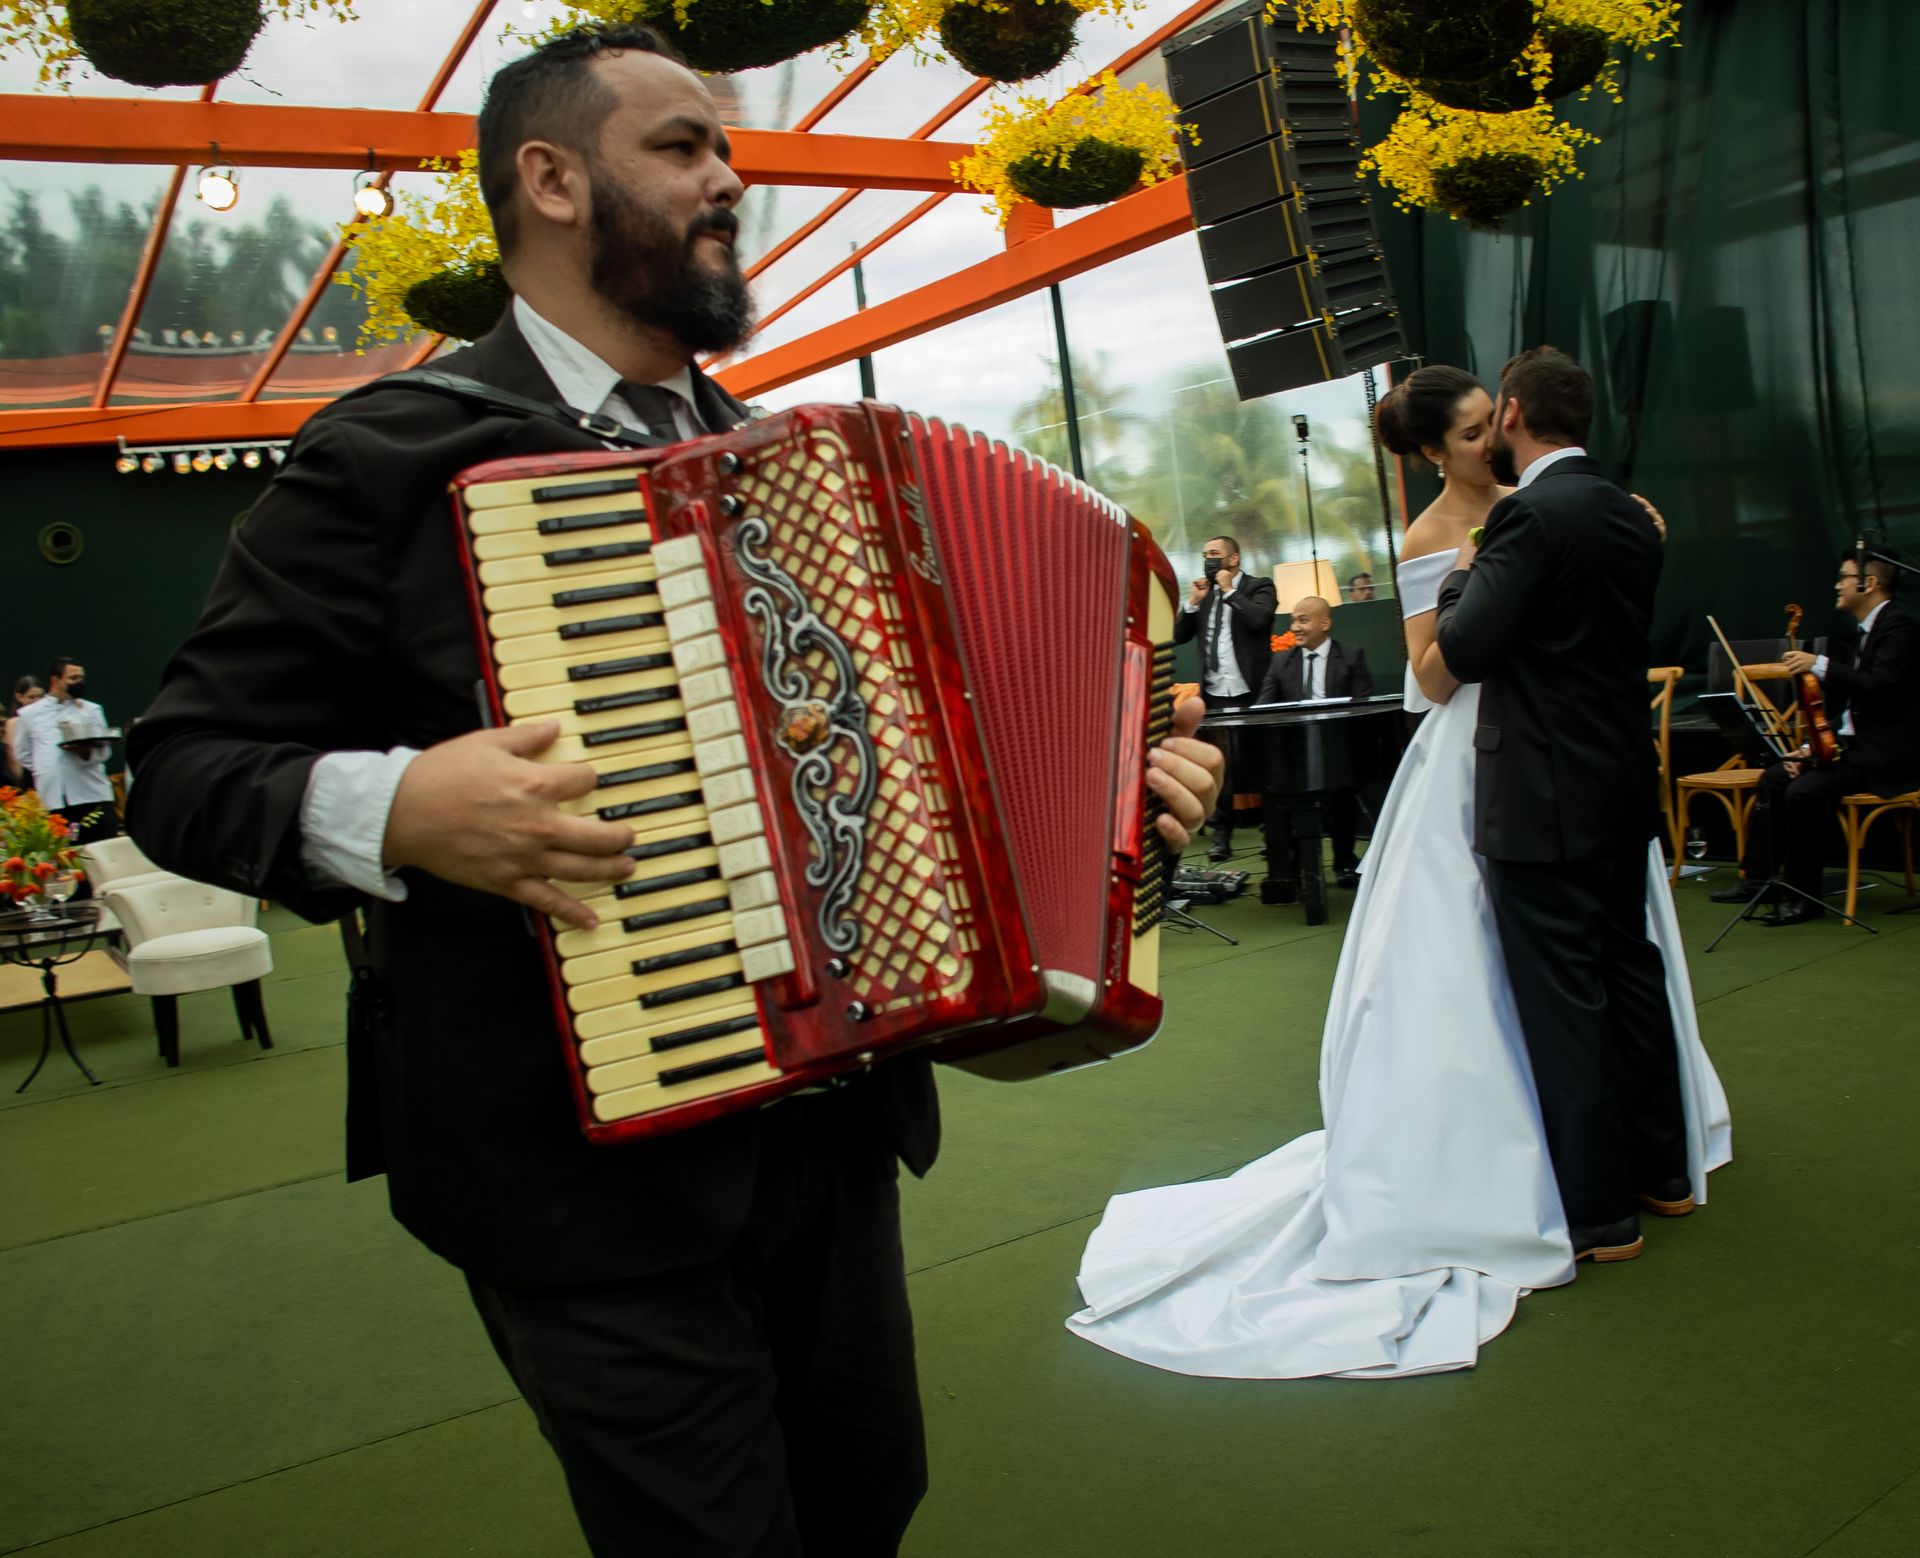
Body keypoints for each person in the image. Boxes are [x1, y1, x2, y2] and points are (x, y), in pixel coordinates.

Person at [122, 27, 1221, 1558]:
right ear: (553, 179)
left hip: (829, 1137)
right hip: (569, 1171)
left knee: (861, 1506)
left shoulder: (800, 469)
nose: (728, 177)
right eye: (683, 146)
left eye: (725, 148)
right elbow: (174, 771)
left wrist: (1122, 801)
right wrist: (396, 809)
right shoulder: (390, 456)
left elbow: (936, 776)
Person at [1067, 362, 1729, 1380]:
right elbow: (1432, 671)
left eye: (1486, 426)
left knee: (1593, 974)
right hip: (1487, 763)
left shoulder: (1542, 508)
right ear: (1434, 451)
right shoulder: (1431, 537)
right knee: (1527, 976)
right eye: (1465, 435)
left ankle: (1624, 1179)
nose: (1483, 444)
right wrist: (1470, 581)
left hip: (1553, 772)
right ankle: (1569, 1174)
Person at [1437, 346, 1696, 1260]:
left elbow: (1464, 648)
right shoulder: (1631, 516)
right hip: (1622, 784)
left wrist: (1462, 571)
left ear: (1510, 414)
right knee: (1630, 972)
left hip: (1539, 796)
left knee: (1565, 999)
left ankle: (1597, 1214)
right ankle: (1666, 1175)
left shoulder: (1527, 519)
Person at [1712, 547, 1918, 924]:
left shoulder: (1899, 626)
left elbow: (1880, 688)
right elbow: (1843, 711)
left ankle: (1804, 897)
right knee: (1776, 775)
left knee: (1804, 792)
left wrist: (1820, 664)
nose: (1837, 585)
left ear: (1868, 583)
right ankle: (1759, 879)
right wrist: (1809, 748)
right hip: (1853, 748)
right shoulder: (1863, 632)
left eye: (1843, 577)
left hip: (1885, 754)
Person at [1254, 595, 1378, 887]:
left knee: (1343, 790)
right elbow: (1263, 707)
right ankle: (1294, 868)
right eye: (1293, 620)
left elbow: (1364, 707)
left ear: (1325, 623)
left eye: (1303, 620)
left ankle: (1344, 861)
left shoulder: (1350, 656)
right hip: (1294, 751)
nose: (1295, 627)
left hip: (1338, 747)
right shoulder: (1281, 661)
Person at [1174, 533, 1278, 861]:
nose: (1208, 558)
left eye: (1215, 553)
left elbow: (1259, 618)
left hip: (1253, 691)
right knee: (1218, 767)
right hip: (1215, 693)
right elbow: (1178, 635)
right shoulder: (1204, 594)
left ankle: (1271, 835)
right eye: (1205, 554)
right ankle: (1222, 836)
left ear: (1233, 559)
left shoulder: (1260, 586)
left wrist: (1229, 590)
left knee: (1264, 764)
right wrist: (1192, 601)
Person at [15, 657, 121, 849]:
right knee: (67, 854)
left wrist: (85, 753)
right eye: (73, 678)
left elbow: (104, 751)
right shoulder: (30, 714)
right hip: (54, 799)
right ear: (55, 681)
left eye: (81, 678)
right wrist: (47, 767)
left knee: (102, 846)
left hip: (91, 793)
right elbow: (23, 754)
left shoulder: (92, 710)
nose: (78, 683)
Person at [5, 675, 43, 786]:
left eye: (40, 696)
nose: (37, 701)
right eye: (31, 697)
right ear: (19, 697)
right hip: (28, 780)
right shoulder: (14, 722)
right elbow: (14, 757)